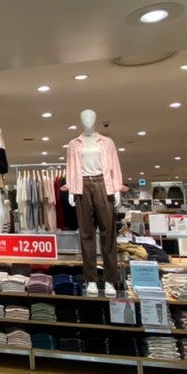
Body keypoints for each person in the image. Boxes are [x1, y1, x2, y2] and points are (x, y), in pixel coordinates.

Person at [66, 109, 123, 298]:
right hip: (82, 184)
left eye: (91, 117)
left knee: (108, 232)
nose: (88, 120)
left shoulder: (107, 142)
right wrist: (72, 189)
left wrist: (116, 188)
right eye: (84, 117)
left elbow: (114, 165)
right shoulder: (74, 144)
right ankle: (90, 279)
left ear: (96, 119)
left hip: (102, 183)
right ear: (80, 120)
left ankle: (110, 280)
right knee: (86, 233)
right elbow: (71, 168)